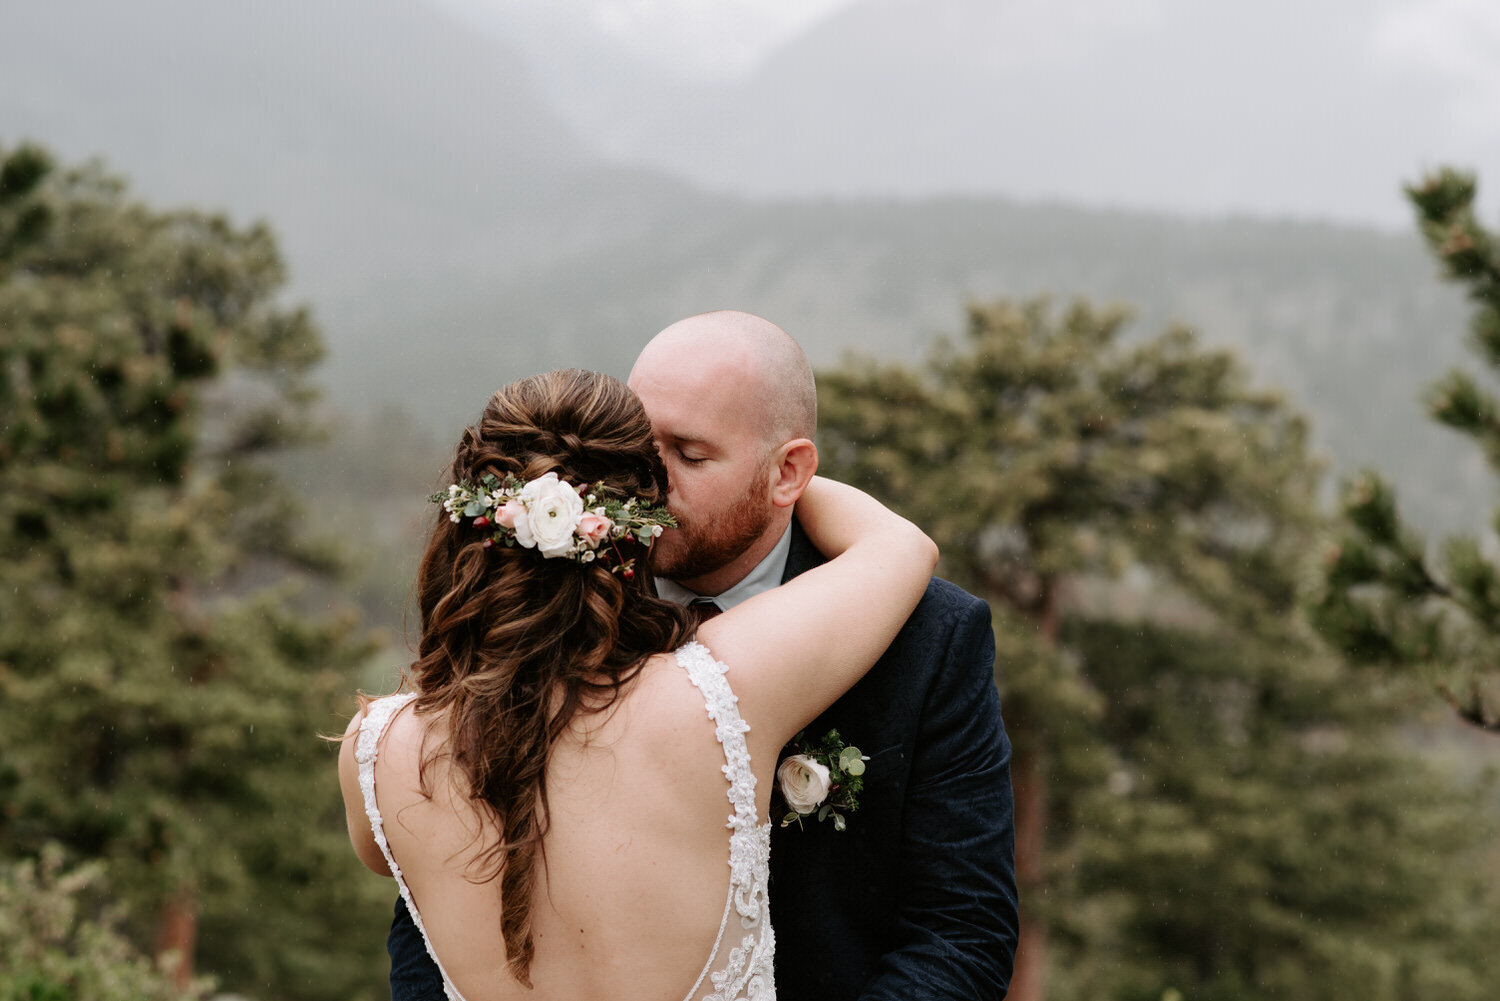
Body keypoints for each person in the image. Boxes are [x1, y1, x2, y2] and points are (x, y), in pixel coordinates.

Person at [388, 312, 1020, 1000]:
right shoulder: (548, 609)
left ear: (788, 472)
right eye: (634, 447)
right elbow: (436, 891)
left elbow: (959, 930)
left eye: (689, 456)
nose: (647, 483)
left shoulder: (928, 634)